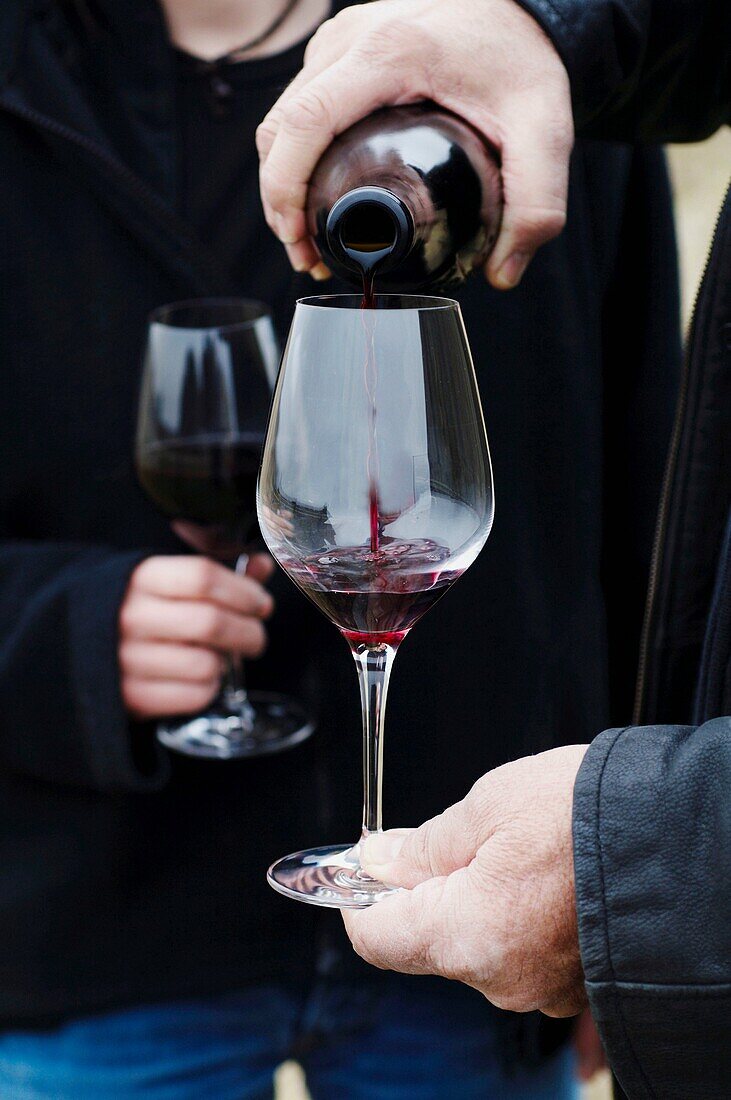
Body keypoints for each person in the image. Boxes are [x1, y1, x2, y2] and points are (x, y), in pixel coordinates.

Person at [0, 0, 679, 1096]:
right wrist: (54, 632)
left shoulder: (537, 46)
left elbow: (653, 472)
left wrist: (628, 896)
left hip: (482, 905)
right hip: (98, 935)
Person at [255, 1, 731, 1097]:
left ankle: (365, 841)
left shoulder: (556, 158)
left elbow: (634, 465)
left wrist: (639, 877)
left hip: (488, 985)